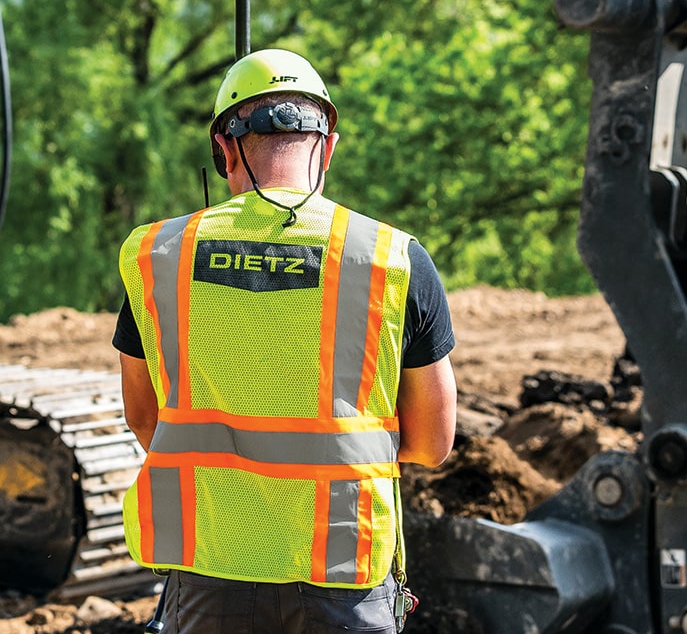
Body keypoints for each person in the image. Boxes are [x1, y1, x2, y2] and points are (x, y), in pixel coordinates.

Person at [112, 47, 457, 632]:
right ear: (327, 147)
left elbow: (146, 419)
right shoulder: (390, 258)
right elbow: (431, 442)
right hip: (344, 576)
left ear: (223, 149)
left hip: (207, 575)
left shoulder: (158, 256)